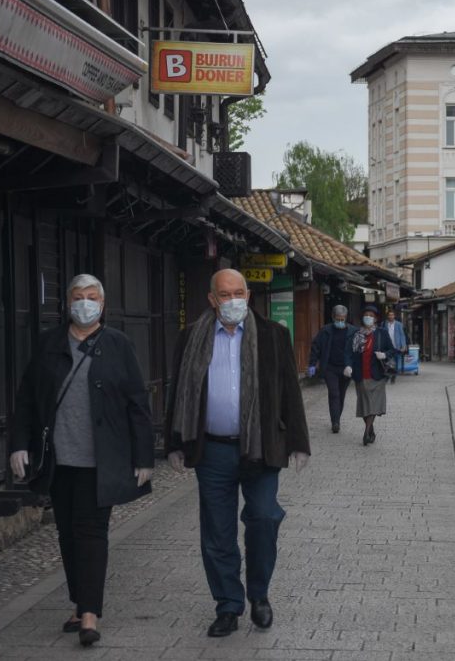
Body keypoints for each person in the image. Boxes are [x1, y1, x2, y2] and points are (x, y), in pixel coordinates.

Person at [9, 274, 154, 648]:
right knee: (67, 533)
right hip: (58, 459)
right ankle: (79, 602)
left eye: (92, 297)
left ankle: (90, 613)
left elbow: (138, 404)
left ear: (102, 304)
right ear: (68, 303)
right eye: (78, 297)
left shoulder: (119, 345)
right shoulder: (49, 344)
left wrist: (143, 456)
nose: (85, 303)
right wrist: (18, 444)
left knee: (91, 532)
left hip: (100, 460)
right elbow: (27, 399)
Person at [164, 269, 311, 637]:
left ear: (248, 294)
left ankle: (259, 594)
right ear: (212, 299)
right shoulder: (191, 337)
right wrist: (174, 443)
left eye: (239, 293)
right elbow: (178, 390)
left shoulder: (273, 336)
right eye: (225, 295)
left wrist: (298, 442)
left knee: (263, 518)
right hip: (211, 449)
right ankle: (228, 604)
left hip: (261, 449)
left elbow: (289, 391)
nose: (233, 301)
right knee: (217, 532)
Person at [344, 305, 397, 446]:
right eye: (366, 315)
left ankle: (366, 433)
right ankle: (371, 430)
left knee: (373, 404)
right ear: (362, 318)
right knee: (364, 405)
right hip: (360, 374)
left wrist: (384, 354)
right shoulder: (356, 334)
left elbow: (392, 350)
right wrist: (348, 365)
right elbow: (348, 352)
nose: (368, 317)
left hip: (377, 375)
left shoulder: (381, 333)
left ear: (376, 318)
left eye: (371, 315)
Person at [308, 305, 356, 433]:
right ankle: (335, 422)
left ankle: (336, 418)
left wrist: (353, 366)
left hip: (346, 368)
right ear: (333, 317)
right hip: (330, 367)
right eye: (338, 318)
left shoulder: (353, 331)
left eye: (343, 319)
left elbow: (357, 351)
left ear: (346, 318)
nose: (340, 321)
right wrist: (312, 364)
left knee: (341, 395)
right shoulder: (326, 330)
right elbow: (316, 346)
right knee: (334, 394)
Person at [382, 309, 408, 383]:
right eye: (389, 315)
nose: (391, 316)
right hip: (387, 347)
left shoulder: (399, 324)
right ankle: (387, 375)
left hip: (397, 347)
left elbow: (402, 335)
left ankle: (393, 376)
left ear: (394, 316)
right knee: (388, 362)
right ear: (387, 316)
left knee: (395, 362)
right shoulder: (384, 324)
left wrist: (403, 346)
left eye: (392, 315)